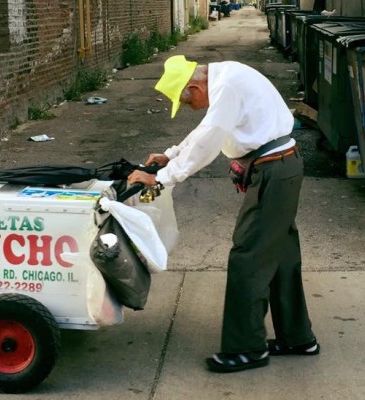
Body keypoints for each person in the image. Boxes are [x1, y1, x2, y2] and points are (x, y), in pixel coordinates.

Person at [127, 55, 319, 373]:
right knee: (281, 257)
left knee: (248, 256)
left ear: (194, 85)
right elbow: (207, 129)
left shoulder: (226, 86)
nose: (194, 108)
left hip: (273, 171)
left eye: (189, 102)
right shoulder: (225, 77)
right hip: (280, 167)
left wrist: (160, 178)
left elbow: (210, 139)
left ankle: (247, 349)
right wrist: (171, 154)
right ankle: (298, 339)